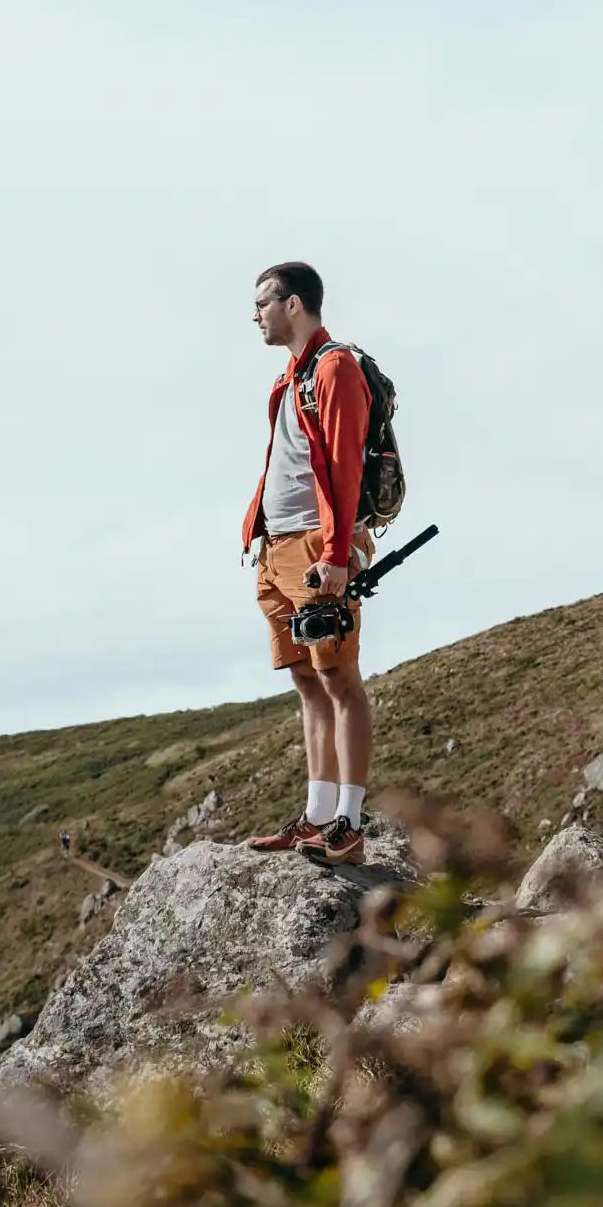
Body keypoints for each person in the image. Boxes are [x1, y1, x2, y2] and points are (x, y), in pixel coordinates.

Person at [242, 261, 375, 866]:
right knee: (306, 682)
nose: (256, 315)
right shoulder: (286, 381)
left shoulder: (335, 368)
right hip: (276, 549)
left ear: (294, 304)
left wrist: (337, 555)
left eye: (263, 303)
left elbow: (345, 470)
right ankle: (317, 815)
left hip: (317, 549)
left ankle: (349, 822)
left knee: (339, 681)